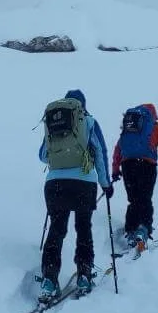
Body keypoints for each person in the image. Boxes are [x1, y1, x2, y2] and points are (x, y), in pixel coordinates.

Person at [37, 89, 113, 302]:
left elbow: (43, 155)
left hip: (55, 184)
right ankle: (84, 275)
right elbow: (100, 152)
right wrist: (105, 184)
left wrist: (61, 160)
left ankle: (49, 280)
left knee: (57, 229)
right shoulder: (88, 121)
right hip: (83, 184)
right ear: (82, 105)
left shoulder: (54, 122)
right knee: (83, 228)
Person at [110, 103, 158, 249]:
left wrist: (116, 170)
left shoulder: (130, 127)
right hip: (147, 166)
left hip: (128, 165)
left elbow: (118, 148)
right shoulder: (156, 126)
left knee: (134, 200)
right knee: (145, 198)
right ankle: (143, 230)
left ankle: (130, 231)